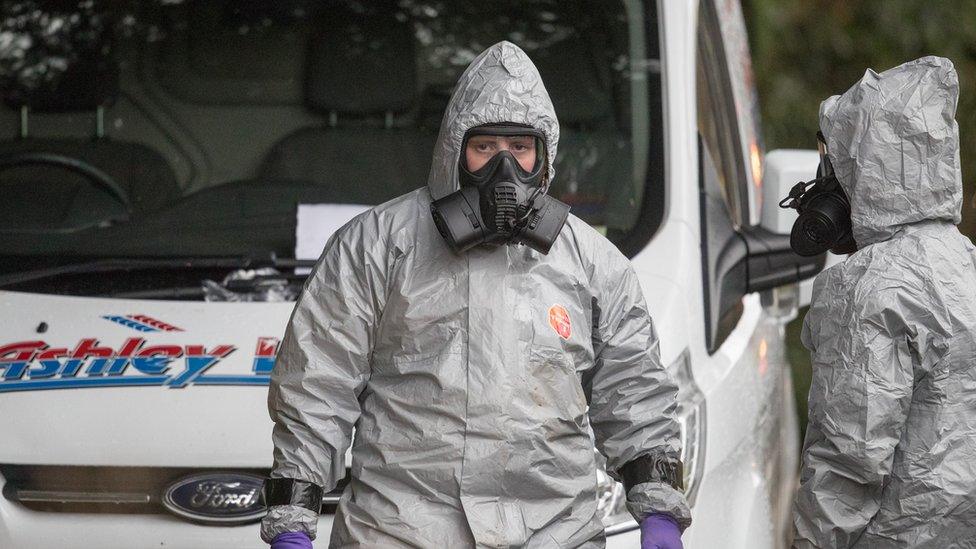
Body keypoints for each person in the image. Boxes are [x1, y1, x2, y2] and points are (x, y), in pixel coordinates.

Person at [260, 41, 691, 548]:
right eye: (485, 148)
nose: (503, 171)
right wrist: (293, 519)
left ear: (544, 156)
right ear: (454, 151)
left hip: (554, 532)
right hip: (401, 532)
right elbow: (317, 386)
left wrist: (659, 511)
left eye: (521, 149)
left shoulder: (593, 264)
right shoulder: (375, 246)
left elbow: (634, 390)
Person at [791, 56, 976, 547]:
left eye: (833, 164)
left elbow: (848, 462)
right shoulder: (967, 261)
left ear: (865, 166)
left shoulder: (870, 286)